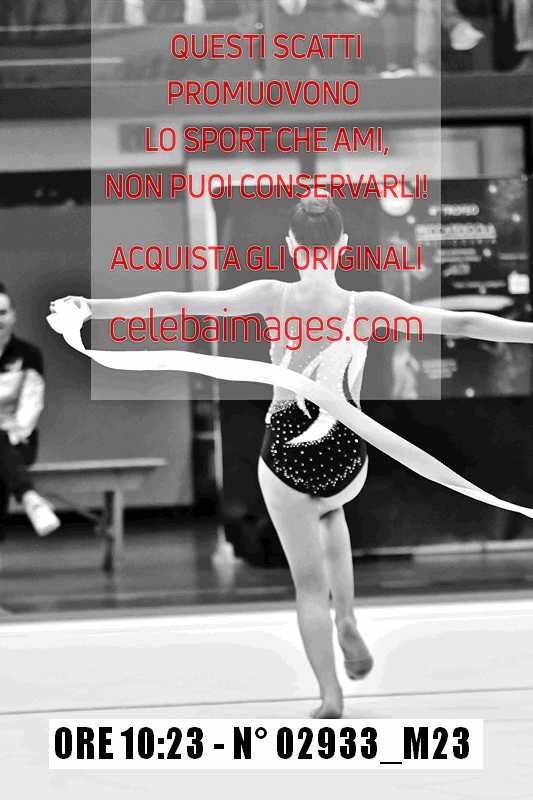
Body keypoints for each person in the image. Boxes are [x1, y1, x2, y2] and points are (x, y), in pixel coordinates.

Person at [51, 196, 533, 718]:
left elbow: (178, 304)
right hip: (345, 455)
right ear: (343, 245)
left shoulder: (271, 295)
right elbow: (461, 325)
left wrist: (92, 308)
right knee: (331, 510)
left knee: (308, 585)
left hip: (285, 453)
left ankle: (330, 694)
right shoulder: (367, 306)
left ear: (291, 246)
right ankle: (347, 616)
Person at [0, 284, 61, 547]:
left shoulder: (29, 354)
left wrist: (11, 433)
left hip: (19, 441)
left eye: (2, 312)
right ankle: (29, 498)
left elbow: (31, 405)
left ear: (13, 315)